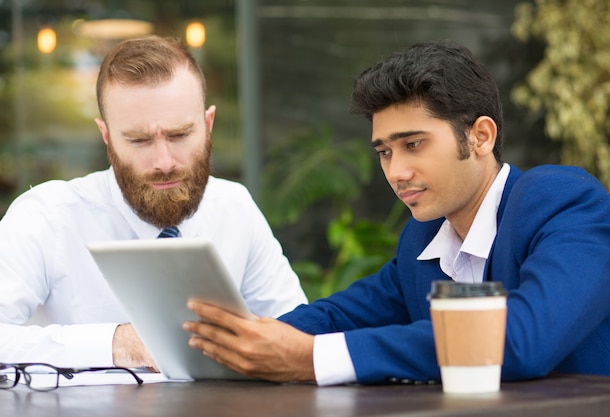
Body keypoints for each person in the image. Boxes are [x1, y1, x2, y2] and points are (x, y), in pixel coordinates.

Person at [183, 40, 610, 386]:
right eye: (384, 152)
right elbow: (336, 317)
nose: (396, 172)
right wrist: (233, 342)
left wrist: (311, 359)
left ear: (480, 136)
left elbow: (524, 339)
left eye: (414, 144)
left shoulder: (562, 203)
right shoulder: (422, 241)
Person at [0, 36, 306, 371]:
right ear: (106, 136)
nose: (164, 161)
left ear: (208, 125)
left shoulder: (234, 208)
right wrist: (115, 345)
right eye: (139, 140)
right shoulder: (47, 215)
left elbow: (294, 331)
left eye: (180, 134)